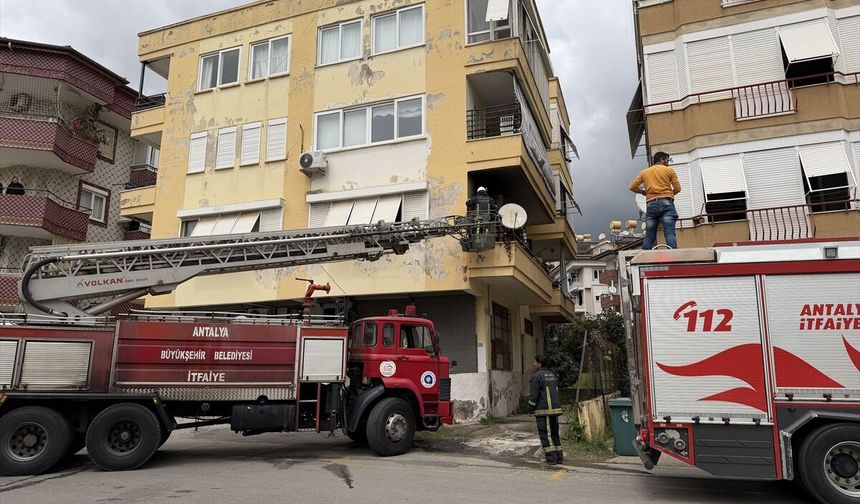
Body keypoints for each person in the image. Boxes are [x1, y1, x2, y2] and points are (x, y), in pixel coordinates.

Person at [629, 152, 681, 250]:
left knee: (649, 235)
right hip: (666, 203)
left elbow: (632, 187)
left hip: (651, 205)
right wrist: (668, 195)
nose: (668, 163)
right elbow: (678, 188)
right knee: (669, 233)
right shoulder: (669, 170)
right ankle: (674, 259)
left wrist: (643, 192)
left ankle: (645, 260)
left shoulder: (644, 172)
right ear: (662, 159)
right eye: (667, 160)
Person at [529, 355, 564, 465]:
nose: (534, 364)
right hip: (554, 409)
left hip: (543, 410)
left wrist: (530, 406)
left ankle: (551, 458)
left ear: (539, 364)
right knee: (554, 433)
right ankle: (559, 456)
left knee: (545, 433)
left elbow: (534, 394)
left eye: (535, 362)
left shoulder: (537, 376)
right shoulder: (552, 375)